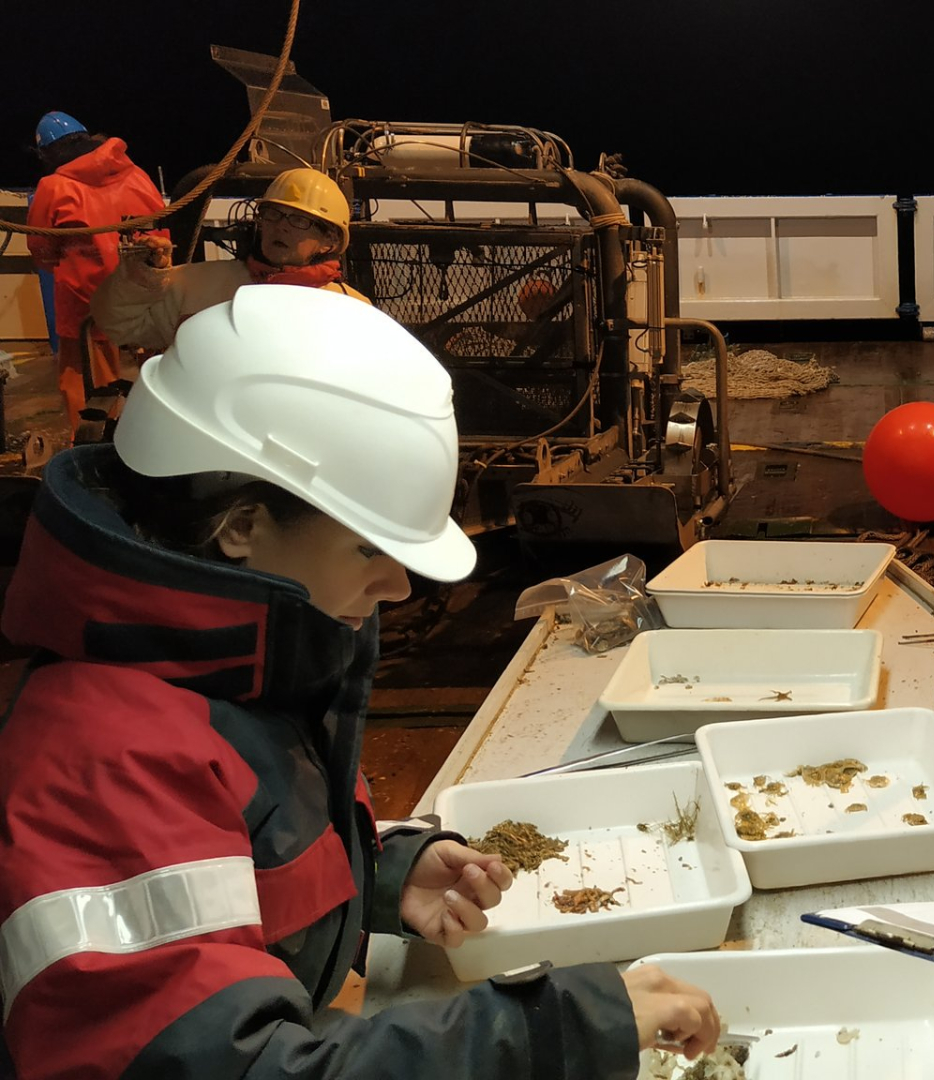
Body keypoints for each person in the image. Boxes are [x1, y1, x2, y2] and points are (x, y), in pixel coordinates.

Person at [0, 287, 720, 1077]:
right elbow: (239, 1067)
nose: (400, 588)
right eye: (367, 550)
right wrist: (556, 1029)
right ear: (243, 526)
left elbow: (235, 876)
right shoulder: (107, 757)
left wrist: (377, 877)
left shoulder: (224, 672)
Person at [93, 166, 369, 352]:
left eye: (299, 220)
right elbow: (121, 326)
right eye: (273, 214)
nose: (280, 226)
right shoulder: (196, 285)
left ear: (329, 241)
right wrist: (144, 276)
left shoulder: (352, 310)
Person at [23, 110, 166, 441]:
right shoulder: (135, 173)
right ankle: (159, 432)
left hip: (86, 297)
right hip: (147, 288)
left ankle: (93, 444)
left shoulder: (54, 186)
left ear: (48, 152)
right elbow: (160, 218)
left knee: (83, 377)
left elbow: (42, 248)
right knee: (157, 366)